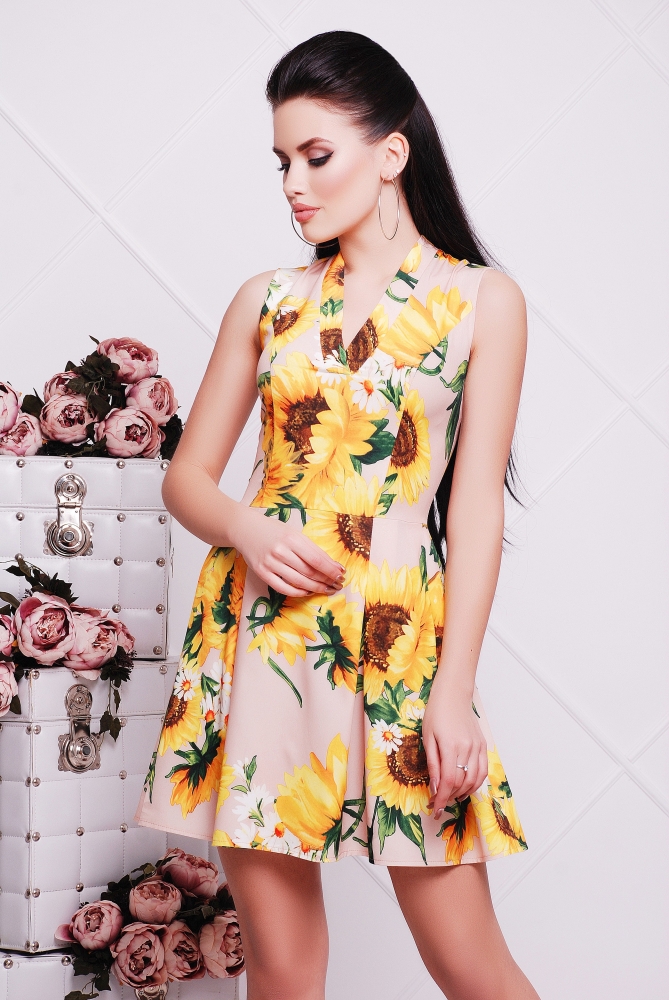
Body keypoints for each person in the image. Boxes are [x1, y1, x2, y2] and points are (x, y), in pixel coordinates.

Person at [136, 30, 539, 1000]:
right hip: (259, 639)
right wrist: (247, 528)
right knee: (283, 969)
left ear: (390, 152)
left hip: (401, 646)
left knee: (471, 966)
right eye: (282, 161)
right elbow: (186, 480)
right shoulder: (266, 301)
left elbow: (473, 510)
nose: (293, 184)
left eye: (316, 156)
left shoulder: (481, 301)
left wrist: (453, 691)